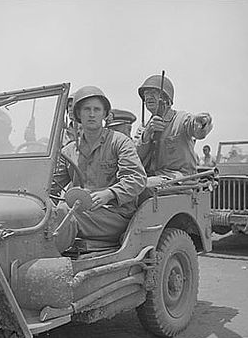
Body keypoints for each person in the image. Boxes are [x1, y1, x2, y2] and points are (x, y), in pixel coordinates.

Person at [52, 86, 147, 253]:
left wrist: (109, 194)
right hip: (81, 212)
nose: (92, 114)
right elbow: (51, 186)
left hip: (114, 215)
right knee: (40, 215)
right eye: (86, 109)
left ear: (104, 114)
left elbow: (137, 179)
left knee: (63, 214)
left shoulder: (120, 142)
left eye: (97, 109)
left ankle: (50, 264)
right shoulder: (68, 151)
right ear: (78, 115)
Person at [135, 74, 213, 187]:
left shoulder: (180, 119)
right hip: (154, 177)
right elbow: (135, 158)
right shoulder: (143, 128)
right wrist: (147, 134)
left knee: (142, 186)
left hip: (181, 178)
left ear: (167, 99)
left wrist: (202, 122)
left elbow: (197, 130)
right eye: (146, 94)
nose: (148, 97)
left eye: (154, 93)